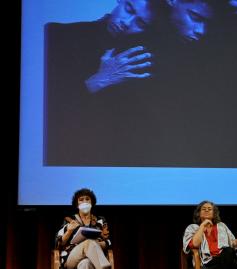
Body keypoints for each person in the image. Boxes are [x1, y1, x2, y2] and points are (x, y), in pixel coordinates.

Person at [45, 0, 160, 166]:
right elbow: (45, 110)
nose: (126, 23)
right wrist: (99, 80)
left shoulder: (140, 64)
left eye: (140, 22)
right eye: (129, 9)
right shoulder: (56, 34)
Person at [55, 188, 111, 269]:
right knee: (88, 242)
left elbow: (108, 242)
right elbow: (58, 244)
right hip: (72, 256)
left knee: (85, 264)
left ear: (91, 203)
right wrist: (69, 231)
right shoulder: (69, 220)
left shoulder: (100, 220)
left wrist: (95, 244)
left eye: (87, 199)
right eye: (81, 200)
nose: (84, 201)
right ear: (77, 205)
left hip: (92, 259)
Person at [183, 200, 237, 269]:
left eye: (210, 209)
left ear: (214, 213)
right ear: (199, 213)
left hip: (225, 259)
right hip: (207, 263)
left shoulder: (222, 226)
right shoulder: (192, 228)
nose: (206, 210)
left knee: (229, 251)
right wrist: (202, 225)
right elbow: (195, 244)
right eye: (203, 209)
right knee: (230, 255)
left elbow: (232, 244)